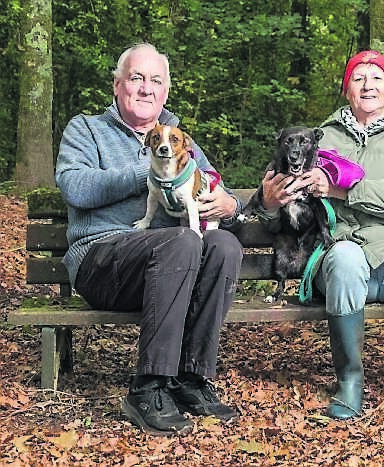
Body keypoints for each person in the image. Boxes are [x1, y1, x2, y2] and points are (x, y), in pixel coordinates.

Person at [254, 50, 384, 421]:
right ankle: (350, 382)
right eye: (358, 78)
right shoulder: (322, 138)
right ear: (347, 89)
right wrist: (272, 199)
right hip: (342, 254)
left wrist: (346, 192)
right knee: (346, 257)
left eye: (376, 77)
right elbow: (283, 200)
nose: (367, 85)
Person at [55, 43, 244, 435]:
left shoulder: (178, 138)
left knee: (224, 245)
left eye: (155, 80)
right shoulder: (87, 129)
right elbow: (75, 187)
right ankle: (149, 387)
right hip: (103, 258)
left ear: (165, 92)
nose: (145, 88)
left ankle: (191, 378)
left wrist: (229, 202)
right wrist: (149, 169)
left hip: (171, 264)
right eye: (136, 78)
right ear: (118, 85)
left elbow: (213, 185)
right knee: (182, 241)